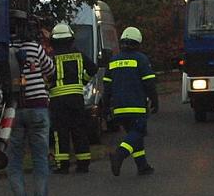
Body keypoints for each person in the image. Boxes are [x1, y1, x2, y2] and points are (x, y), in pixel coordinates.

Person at [8, 11, 55, 196]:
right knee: (40, 159)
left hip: (15, 108)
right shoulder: (35, 48)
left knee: (15, 161)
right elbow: (51, 69)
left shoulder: (8, 50)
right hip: (38, 107)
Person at [104, 27, 158, 176]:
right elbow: (149, 84)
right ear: (138, 43)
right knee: (138, 132)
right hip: (136, 107)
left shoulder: (113, 61)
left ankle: (142, 166)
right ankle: (119, 155)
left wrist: (106, 107)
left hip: (119, 108)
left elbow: (106, 87)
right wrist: (155, 101)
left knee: (133, 136)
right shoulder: (141, 59)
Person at [48, 23, 98, 173]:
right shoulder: (79, 54)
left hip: (58, 101)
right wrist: (82, 81)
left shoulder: (51, 57)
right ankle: (83, 163)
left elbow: (47, 76)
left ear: (54, 40)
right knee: (79, 130)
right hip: (76, 99)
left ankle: (63, 166)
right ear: (71, 38)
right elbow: (93, 68)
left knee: (60, 132)